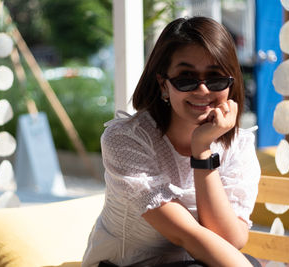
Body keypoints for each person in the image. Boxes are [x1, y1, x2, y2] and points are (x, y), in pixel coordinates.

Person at [82, 16, 261, 267]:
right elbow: (186, 235)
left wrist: (202, 152)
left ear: (231, 85)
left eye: (215, 78)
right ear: (164, 85)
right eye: (186, 78)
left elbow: (229, 239)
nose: (202, 90)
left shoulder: (238, 145)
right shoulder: (126, 140)